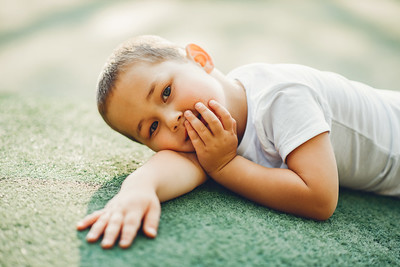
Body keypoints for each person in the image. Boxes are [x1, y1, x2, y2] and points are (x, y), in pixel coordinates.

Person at [77, 35, 400, 249]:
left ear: (200, 59)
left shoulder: (282, 96)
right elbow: (174, 165)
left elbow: (319, 198)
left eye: (165, 92)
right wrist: (139, 190)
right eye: (151, 128)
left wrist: (226, 166)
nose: (172, 119)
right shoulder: (200, 135)